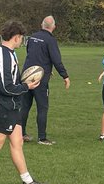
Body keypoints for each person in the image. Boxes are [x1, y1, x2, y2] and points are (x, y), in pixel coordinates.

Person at [0, 20, 49, 184]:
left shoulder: (7, 53)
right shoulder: (4, 55)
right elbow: (6, 87)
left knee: (17, 142)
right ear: (16, 37)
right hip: (2, 106)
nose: (22, 41)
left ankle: (27, 182)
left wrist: (25, 81)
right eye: (21, 38)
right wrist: (27, 87)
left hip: (11, 105)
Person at [20, 15, 71, 145]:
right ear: (53, 27)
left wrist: (47, 69)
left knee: (25, 106)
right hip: (39, 80)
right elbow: (56, 60)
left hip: (26, 76)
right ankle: (42, 138)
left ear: (42, 25)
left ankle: (21, 134)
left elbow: (32, 54)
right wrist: (65, 76)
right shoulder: (50, 40)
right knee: (42, 108)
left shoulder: (32, 37)